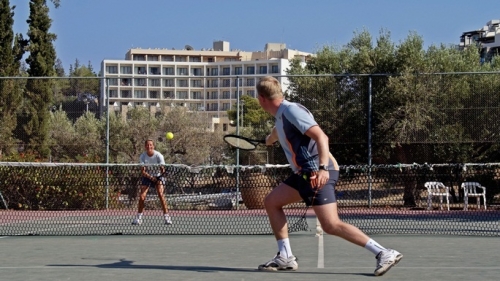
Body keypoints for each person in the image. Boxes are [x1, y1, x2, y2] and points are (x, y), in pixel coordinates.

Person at [255, 76, 402, 276]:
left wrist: (323, 168)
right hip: (304, 174)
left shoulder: (291, 111)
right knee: (272, 201)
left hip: (318, 171)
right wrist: (269, 140)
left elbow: (321, 137)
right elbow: (274, 134)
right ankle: (285, 256)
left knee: (331, 225)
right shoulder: (281, 117)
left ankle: (384, 252)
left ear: (261, 98)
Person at [132, 139, 172, 225]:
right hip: (147, 177)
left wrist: (159, 175)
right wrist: (151, 177)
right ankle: (138, 218)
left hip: (158, 177)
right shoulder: (142, 156)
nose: (149, 146)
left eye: (150, 145)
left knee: (161, 195)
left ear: (153, 146)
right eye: (147, 145)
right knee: (142, 197)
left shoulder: (159, 156)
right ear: (145, 146)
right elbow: (143, 171)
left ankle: (167, 218)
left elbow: (162, 169)